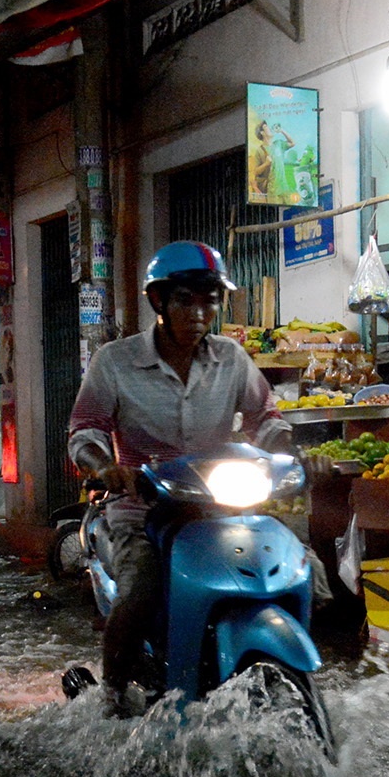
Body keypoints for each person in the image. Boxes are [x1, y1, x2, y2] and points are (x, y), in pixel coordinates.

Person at [67, 240, 293, 714]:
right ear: (159, 301)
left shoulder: (231, 358)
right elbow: (85, 430)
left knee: (295, 565)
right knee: (140, 589)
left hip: (218, 506)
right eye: (186, 300)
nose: (200, 312)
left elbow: (266, 419)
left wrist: (292, 455)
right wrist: (105, 468)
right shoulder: (115, 362)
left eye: (210, 300)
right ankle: (111, 696)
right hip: (141, 511)